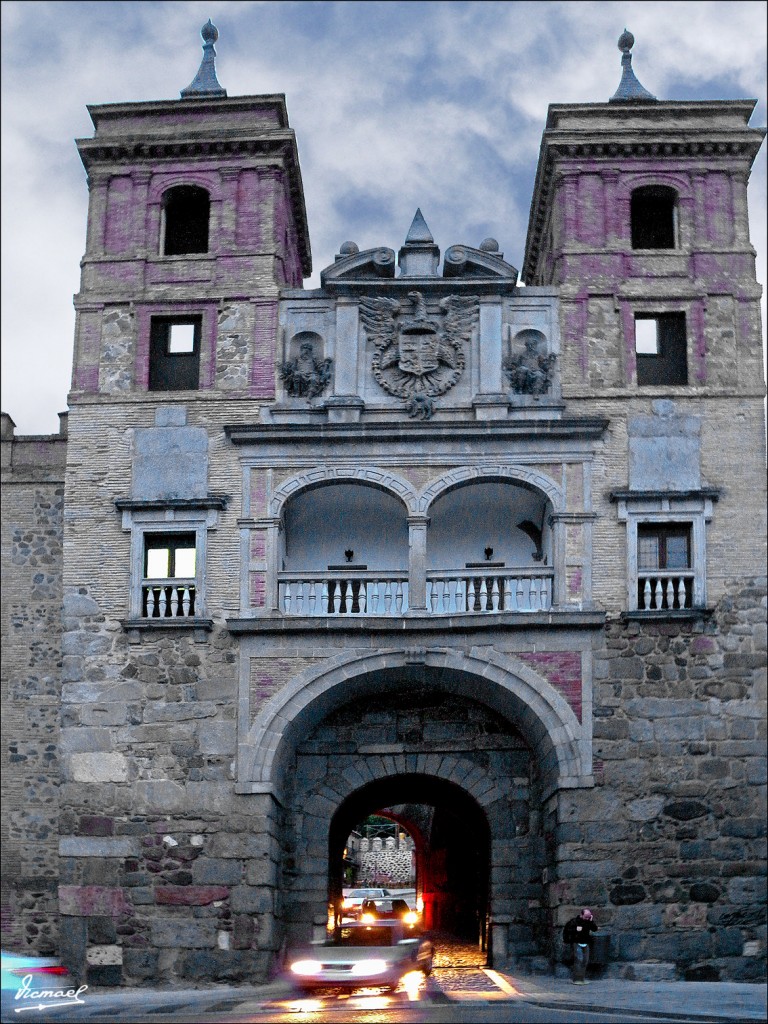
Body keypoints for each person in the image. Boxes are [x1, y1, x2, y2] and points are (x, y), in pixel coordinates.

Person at [563, 908, 597, 984]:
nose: (587, 918)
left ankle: (582, 978)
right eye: (586, 917)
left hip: (585, 942)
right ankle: (577, 979)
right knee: (579, 959)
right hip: (576, 942)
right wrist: (576, 929)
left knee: (585, 960)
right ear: (581, 915)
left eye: (589, 917)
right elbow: (567, 930)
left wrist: (591, 921)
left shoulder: (589, 922)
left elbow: (594, 929)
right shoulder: (574, 921)